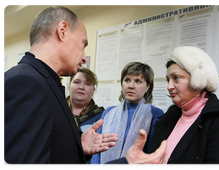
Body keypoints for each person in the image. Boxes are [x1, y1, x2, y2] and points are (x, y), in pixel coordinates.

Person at [2, 6, 167, 165]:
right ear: (63, 31)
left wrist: (77, 148)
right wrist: (126, 163)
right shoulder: (26, 83)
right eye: (83, 44)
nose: (83, 57)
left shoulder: (43, 82)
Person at [149, 46, 219, 164]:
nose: (169, 86)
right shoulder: (170, 116)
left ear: (198, 79)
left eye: (176, 78)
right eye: (168, 80)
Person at [90, 62, 165, 165]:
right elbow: (96, 149)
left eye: (138, 81)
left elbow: (152, 153)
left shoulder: (156, 114)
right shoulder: (108, 112)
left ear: (148, 86)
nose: (131, 86)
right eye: (127, 80)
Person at [67, 68, 104, 132]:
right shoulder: (55, 110)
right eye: (77, 82)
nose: (81, 87)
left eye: (87, 84)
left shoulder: (102, 117)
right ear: (69, 86)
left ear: (93, 90)